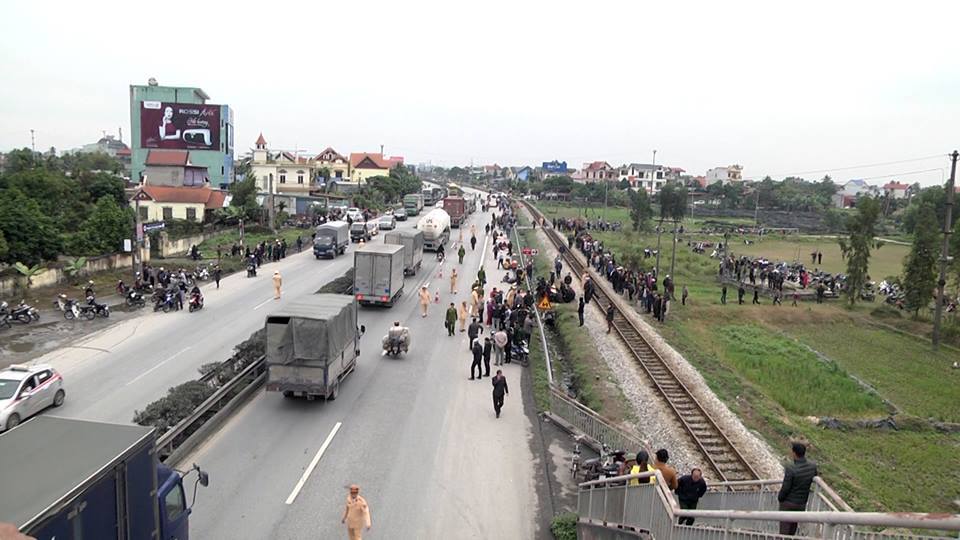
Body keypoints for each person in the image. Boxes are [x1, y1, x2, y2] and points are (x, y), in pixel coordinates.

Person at [777, 442, 818, 536]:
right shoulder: (812, 466)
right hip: (801, 504)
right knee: (793, 527)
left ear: (794, 453)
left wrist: (780, 498)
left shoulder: (791, 468)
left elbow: (785, 488)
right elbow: (814, 475)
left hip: (788, 503)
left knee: (784, 531)